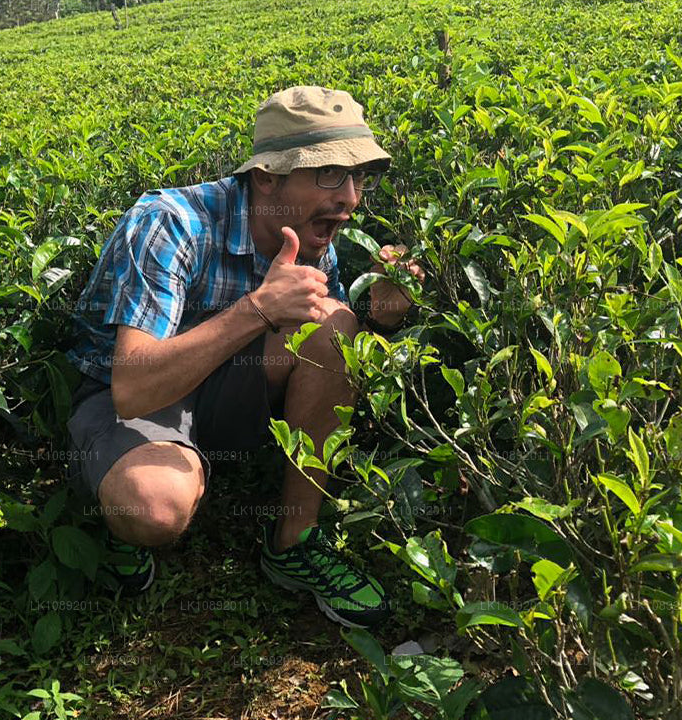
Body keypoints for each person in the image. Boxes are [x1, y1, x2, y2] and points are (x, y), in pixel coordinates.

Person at [65, 85, 425, 628]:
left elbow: (326, 357)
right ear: (266, 177)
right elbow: (133, 388)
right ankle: (118, 506)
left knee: (335, 325)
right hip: (133, 400)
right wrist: (257, 310)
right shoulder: (171, 223)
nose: (350, 198)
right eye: (329, 174)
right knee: (153, 505)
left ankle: (293, 543)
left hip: (230, 384)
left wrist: (381, 320)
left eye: (358, 178)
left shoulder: (317, 237)